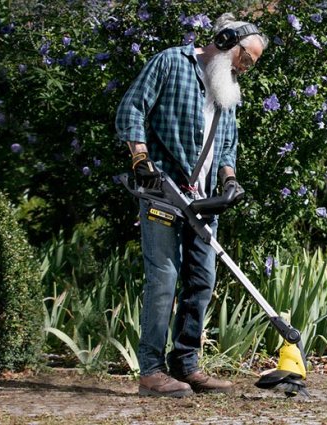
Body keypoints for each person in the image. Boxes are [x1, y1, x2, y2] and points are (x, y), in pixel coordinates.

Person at [115, 13, 268, 398]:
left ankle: (187, 365)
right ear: (226, 40)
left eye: (252, 63)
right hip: (163, 191)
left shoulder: (227, 86)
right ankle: (151, 371)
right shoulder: (171, 62)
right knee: (164, 279)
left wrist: (229, 181)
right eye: (246, 58)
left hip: (202, 202)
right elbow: (132, 108)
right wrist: (140, 159)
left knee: (202, 281)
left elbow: (227, 143)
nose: (246, 68)